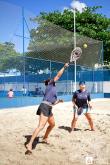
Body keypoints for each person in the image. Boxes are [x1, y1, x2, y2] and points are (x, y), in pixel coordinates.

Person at [25, 63, 69, 154]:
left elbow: (53, 103)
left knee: (52, 124)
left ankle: (45, 138)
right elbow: (58, 75)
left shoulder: (53, 90)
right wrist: (64, 67)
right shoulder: (50, 85)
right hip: (44, 106)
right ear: (49, 82)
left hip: (49, 108)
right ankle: (29, 144)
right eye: (51, 80)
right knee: (41, 126)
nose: (54, 80)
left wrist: (59, 101)